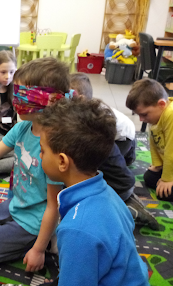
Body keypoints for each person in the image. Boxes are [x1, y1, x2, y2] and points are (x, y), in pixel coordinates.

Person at [20, 97, 153, 286]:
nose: (40, 155)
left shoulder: (76, 228)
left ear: (62, 162)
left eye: (43, 150)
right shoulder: (108, 193)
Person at [0, 57, 69, 271]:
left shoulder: (52, 147)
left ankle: (43, 240)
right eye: (16, 92)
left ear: (52, 101)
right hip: (18, 205)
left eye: (25, 94)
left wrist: (37, 250)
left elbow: (53, 205)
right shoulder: (22, 129)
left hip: (36, 218)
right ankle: (15, 234)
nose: (16, 100)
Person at [70, 73, 158, 229]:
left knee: (84, 210)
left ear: (81, 99)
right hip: (124, 182)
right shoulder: (92, 121)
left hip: (124, 141)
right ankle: (128, 199)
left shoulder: (91, 134)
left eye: (66, 95)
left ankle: (128, 211)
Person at [70, 73, 136, 165]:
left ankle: (130, 152)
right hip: (111, 132)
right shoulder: (80, 108)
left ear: (81, 99)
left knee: (105, 164)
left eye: (68, 95)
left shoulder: (93, 113)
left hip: (122, 137)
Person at [127, 78, 173, 202]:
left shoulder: (171, 115)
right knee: (150, 178)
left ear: (162, 104)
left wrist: (167, 179)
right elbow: (154, 141)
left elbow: (171, 151)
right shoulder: (158, 115)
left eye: (144, 114)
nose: (141, 119)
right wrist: (158, 165)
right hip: (169, 162)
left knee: (165, 193)